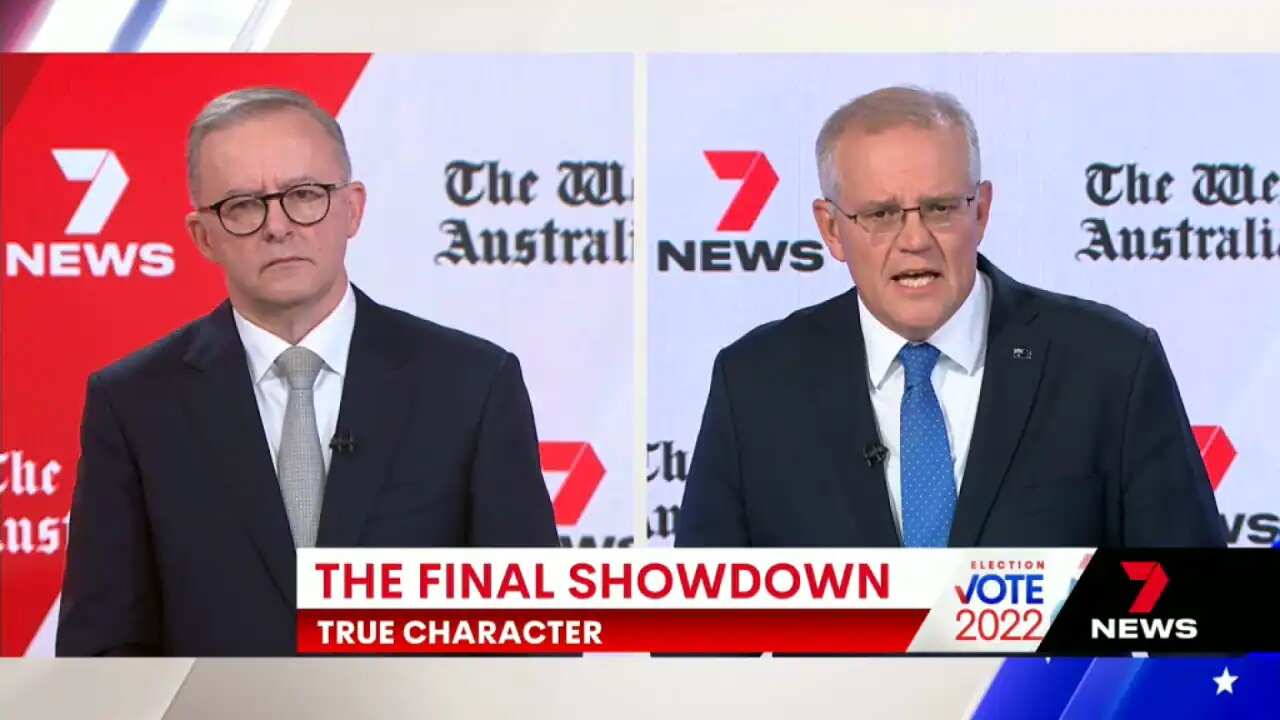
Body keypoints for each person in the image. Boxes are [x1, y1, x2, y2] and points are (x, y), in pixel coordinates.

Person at [57, 87, 558, 656]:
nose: (278, 226)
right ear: (203, 237)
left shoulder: (472, 385)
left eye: (304, 194)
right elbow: (100, 654)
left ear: (352, 209)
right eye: (243, 205)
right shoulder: (135, 404)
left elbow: (532, 638)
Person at [676, 86, 1224, 549]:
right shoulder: (756, 383)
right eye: (882, 214)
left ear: (981, 211)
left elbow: (1197, 617)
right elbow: (692, 642)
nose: (914, 240)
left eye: (940, 208)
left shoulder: (1110, 366)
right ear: (831, 229)